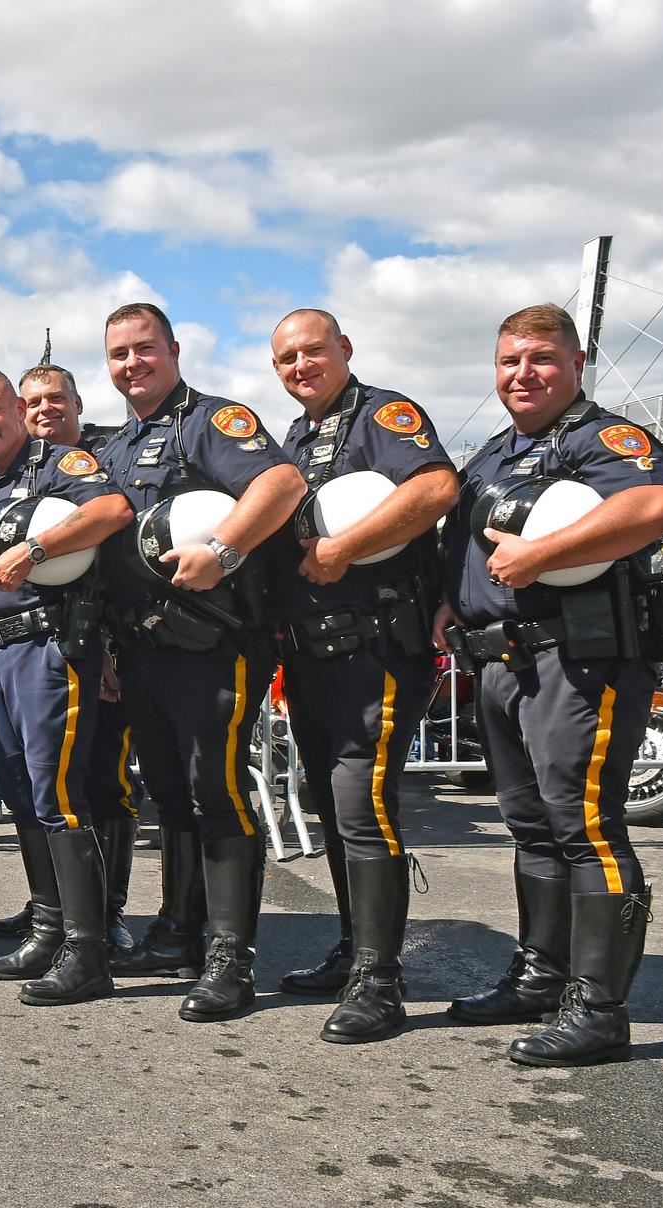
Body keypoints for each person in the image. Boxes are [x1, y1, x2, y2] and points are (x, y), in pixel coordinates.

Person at [438, 304, 663, 1067]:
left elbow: (652, 507)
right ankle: (542, 976)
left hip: (581, 661)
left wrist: (540, 554)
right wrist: (452, 596)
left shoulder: (603, 439)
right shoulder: (493, 456)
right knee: (531, 827)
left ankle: (601, 1010)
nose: (522, 373)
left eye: (540, 358)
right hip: (504, 665)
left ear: (577, 364)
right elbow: (466, 541)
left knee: (585, 829)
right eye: (509, 360)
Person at [94, 302, 306, 1022]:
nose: (132, 363)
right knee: (172, 796)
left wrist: (224, 551)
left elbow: (280, 484)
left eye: (144, 349)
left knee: (216, 794)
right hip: (145, 652)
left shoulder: (213, 421)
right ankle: (180, 930)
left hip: (214, 646)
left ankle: (230, 956)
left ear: (174, 349)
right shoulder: (119, 447)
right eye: (119, 353)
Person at [261, 309, 458, 1043]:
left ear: (345, 348)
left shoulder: (383, 415)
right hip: (314, 654)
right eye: (286, 360)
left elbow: (436, 488)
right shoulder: (299, 437)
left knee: (360, 801)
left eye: (314, 351)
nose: (301, 366)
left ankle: (382, 982)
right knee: (333, 804)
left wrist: (345, 546)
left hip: (374, 648)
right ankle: (354, 952)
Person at [0, 368, 134, 1004]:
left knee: (58, 794)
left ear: (18, 410)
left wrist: (34, 548)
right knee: (22, 797)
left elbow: (111, 510)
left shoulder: (59, 464)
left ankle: (88, 949)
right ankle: (48, 928)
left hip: (47, 646)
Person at [18, 363, 138, 956]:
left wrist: (112, 646)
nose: (45, 410)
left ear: (78, 401)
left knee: (103, 784)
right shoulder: (19, 472)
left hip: (102, 649)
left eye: (56, 399)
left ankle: (108, 911)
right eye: (33, 401)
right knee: (47, 788)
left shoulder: (106, 462)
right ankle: (53, 908)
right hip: (48, 651)